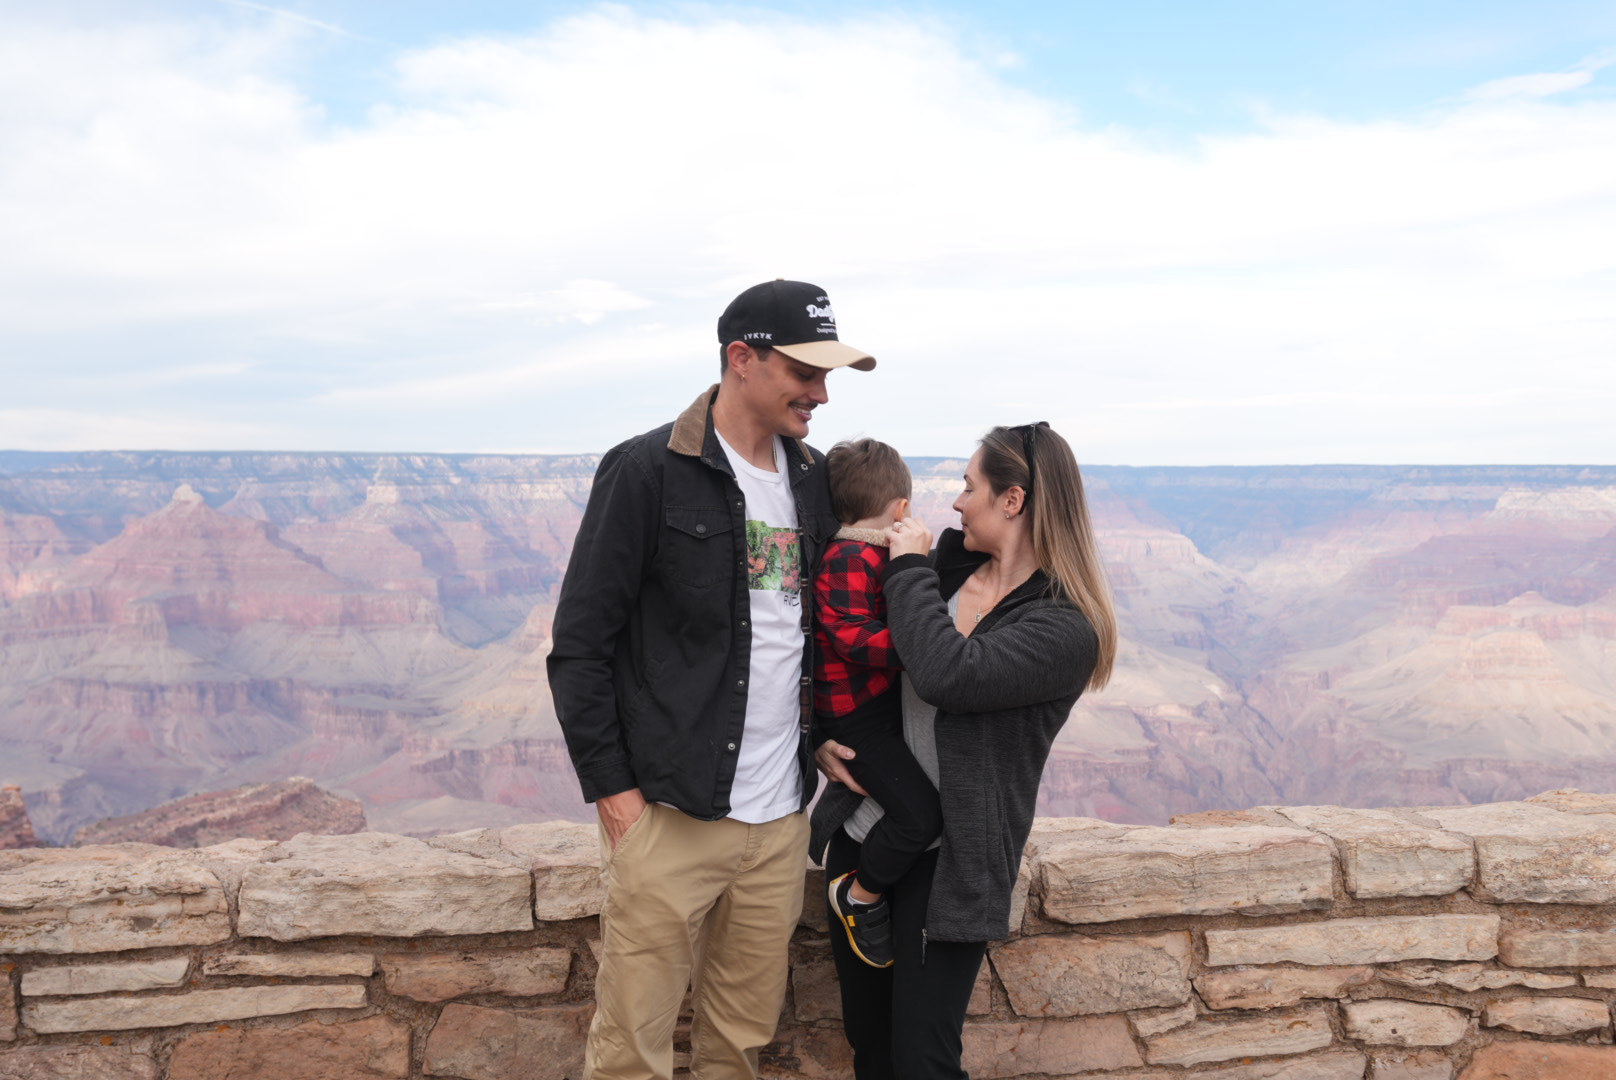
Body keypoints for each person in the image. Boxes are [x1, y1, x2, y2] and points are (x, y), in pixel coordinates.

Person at [547, 279, 876, 1080]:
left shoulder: (811, 482)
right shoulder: (647, 471)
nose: (822, 394)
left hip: (778, 823)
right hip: (670, 811)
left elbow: (820, 629)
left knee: (740, 1044)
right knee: (633, 1050)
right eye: (807, 372)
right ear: (742, 359)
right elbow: (580, 645)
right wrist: (617, 797)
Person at [810, 421, 1118, 1080]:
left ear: (1012, 500)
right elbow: (839, 642)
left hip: (950, 866)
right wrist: (820, 739)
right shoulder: (951, 567)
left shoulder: (1064, 628)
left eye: (970, 486)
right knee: (872, 1045)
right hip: (865, 835)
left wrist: (910, 568)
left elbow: (948, 672)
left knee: (924, 1058)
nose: (954, 503)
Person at [814, 438, 943, 969]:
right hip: (854, 719)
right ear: (901, 509)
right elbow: (852, 636)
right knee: (920, 817)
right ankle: (859, 895)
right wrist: (925, 648)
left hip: (871, 709)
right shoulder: (848, 555)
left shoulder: (869, 552)